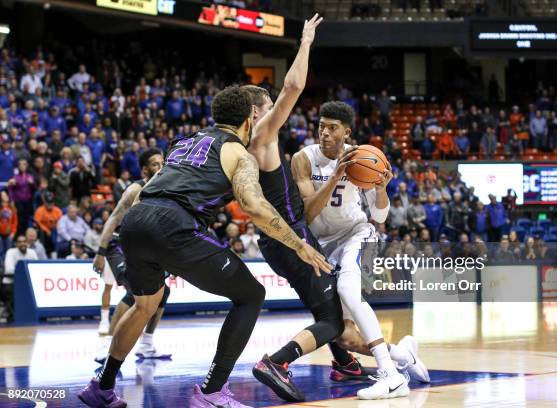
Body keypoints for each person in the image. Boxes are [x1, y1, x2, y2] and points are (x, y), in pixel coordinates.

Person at [78, 86, 331, 408]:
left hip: (136, 221)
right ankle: (212, 392)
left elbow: (156, 188)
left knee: (145, 303)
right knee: (250, 295)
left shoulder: (183, 142)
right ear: (248, 119)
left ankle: (102, 386)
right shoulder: (240, 153)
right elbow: (254, 207)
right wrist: (299, 245)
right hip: (175, 226)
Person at [292, 101, 429, 400]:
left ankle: (391, 376)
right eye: (321, 127)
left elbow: (379, 218)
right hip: (323, 247)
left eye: (332, 128)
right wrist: (335, 177)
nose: (325, 133)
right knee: (344, 336)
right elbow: (308, 214)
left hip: (358, 235)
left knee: (350, 292)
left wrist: (381, 190)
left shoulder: (360, 157)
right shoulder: (303, 159)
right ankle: (402, 355)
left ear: (346, 132)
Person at [92, 148, 172, 363]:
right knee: (133, 289)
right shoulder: (134, 190)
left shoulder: (166, 189)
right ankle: (107, 345)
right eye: (156, 164)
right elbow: (113, 219)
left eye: (163, 162)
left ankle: (146, 345)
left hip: (142, 246)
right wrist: (100, 252)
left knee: (163, 292)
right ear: (145, 169)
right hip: (117, 243)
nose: (161, 166)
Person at [2, 235, 38, 319]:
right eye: (20, 242)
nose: (22, 244)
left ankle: (32, 315)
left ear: (27, 243)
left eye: (24, 241)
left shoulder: (32, 252)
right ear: (16, 244)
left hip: (27, 284)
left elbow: (37, 267)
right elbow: (9, 270)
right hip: (11, 283)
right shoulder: (10, 252)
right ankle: (14, 315)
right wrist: (25, 272)